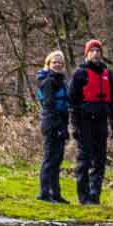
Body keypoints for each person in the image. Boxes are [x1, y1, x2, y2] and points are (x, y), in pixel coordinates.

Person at [66, 38, 113, 204]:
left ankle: (95, 195)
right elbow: (71, 101)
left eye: (98, 51)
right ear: (87, 54)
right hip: (84, 122)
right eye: (92, 51)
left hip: (101, 121)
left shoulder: (107, 73)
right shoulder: (80, 73)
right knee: (84, 159)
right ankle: (84, 197)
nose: (96, 54)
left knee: (100, 160)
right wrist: (74, 125)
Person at [35, 49, 71, 203]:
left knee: (57, 159)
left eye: (60, 63)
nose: (57, 65)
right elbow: (50, 106)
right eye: (54, 62)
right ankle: (44, 193)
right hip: (51, 123)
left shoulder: (61, 81)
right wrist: (59, 127)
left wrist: (64, 126)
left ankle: (55, 193)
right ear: (48, 64)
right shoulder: (49, 82)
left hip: (60, 123)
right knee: (49, 158)